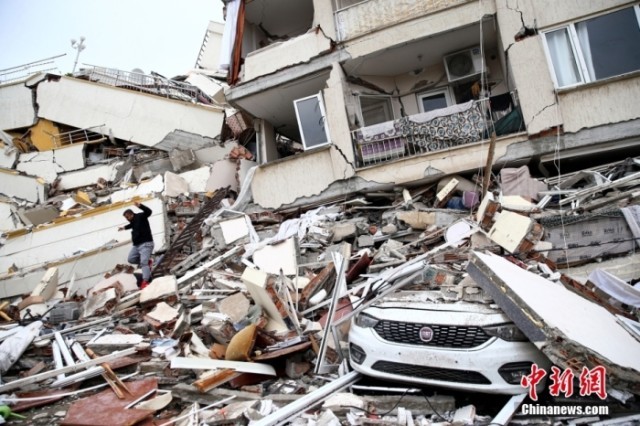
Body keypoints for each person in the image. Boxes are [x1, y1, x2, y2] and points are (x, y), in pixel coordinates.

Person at [119, 201, 154, 289]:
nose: (127, 219)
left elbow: (149, 212)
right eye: (126, 218)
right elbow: (131, 225)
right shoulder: (133, 221)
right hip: (137, 245)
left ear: (131, 214)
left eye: (127, 217)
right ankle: (148, 262)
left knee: (143, 263)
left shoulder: (141, 216)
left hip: (146, 243)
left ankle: (145, 281)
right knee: (131, 259)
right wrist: (124, 228)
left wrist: (140, 206)